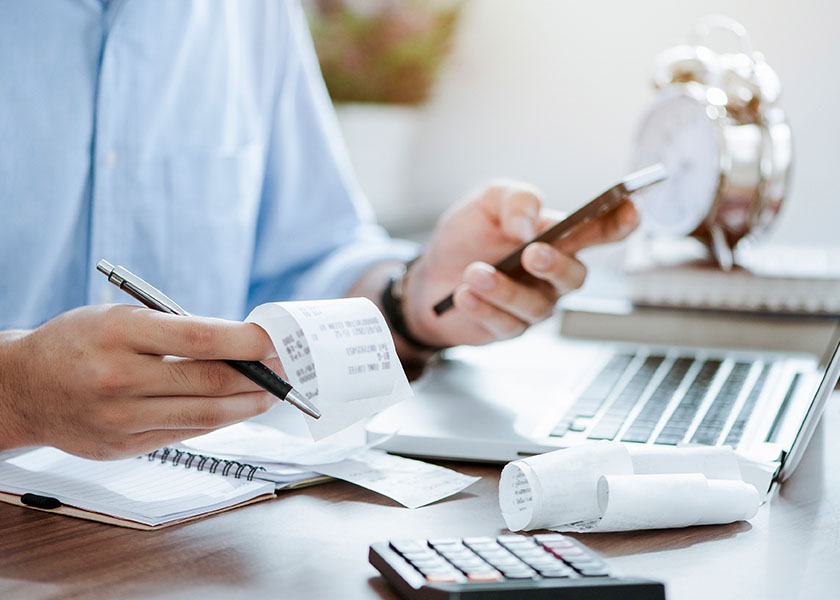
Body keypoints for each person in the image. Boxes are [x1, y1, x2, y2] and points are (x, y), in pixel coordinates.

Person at [0, 2, 637, 460]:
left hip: (189, 527)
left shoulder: (251, 15)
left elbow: (309, 258)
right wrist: (16, 394)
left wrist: (418, 300)